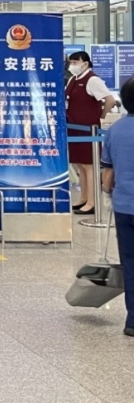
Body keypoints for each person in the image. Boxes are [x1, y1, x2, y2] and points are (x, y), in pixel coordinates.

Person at [102, 76, 134, 337]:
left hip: (124, 206)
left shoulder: (116, 130)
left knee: (130, 264)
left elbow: (107, 177)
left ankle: (132, 320)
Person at [66, 51, 116, 215]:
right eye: (71, 62)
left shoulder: (92, 80)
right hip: (74, 127)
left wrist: (101, 116)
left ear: (85, 63)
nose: (73, 65)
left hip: (88, 128)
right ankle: (83, 198)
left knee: (89, 165)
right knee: (80, 165)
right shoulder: (73, 79)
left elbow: (109, 100)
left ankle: (92, 202)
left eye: (76, 62)